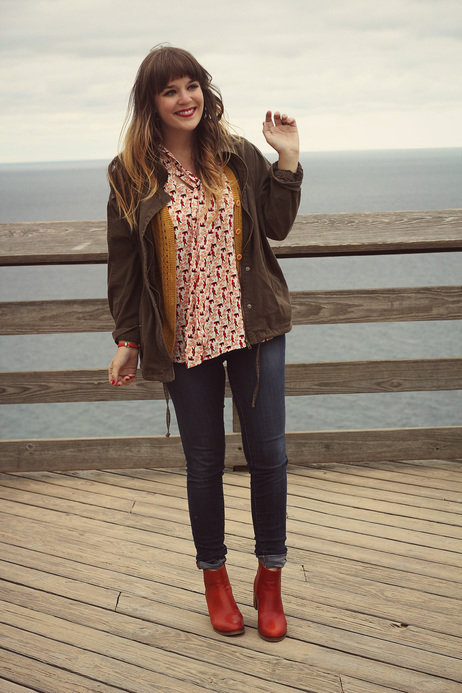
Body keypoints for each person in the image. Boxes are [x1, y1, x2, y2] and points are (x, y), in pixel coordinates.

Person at [106, 45, 302, 642]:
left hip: (253, 326)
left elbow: (275, 225)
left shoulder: (237, 154)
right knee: (205, 464)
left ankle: (269, 579)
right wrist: (127, 337)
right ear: (152, 103)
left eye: (192, 85)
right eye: (170, 90)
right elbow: (124, 262)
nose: (184, 98)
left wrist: (287, 160)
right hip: (182, 334)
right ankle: (215, 579)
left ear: (204, 91)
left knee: (268, 454)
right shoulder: (130, 173)